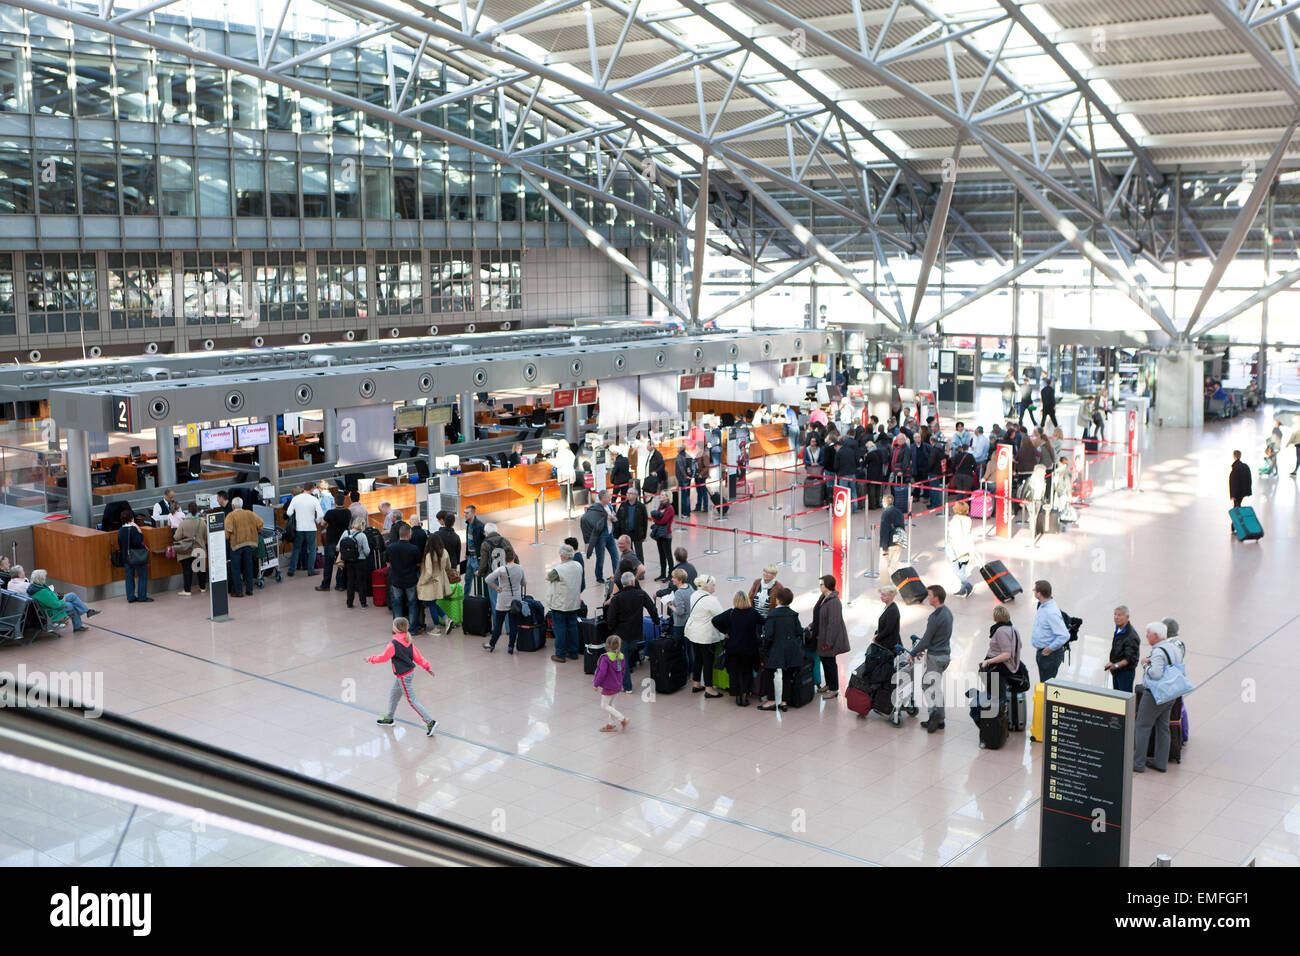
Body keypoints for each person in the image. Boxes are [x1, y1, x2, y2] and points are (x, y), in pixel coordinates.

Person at [367, 617, 437, 737]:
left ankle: (430, 722)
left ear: (396, 628)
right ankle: (389, 718)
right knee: (394, 695)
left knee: (412, 700)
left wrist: (371, 659)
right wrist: (427, 667)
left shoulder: (393, 644)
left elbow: (384, 657)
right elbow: (418, 657)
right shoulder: (407, 640)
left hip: (403, 677)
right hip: (407, 674)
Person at [1133, 621, 1187, 773]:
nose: (1146, 636)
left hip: (1154, 695)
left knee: (1142, 726)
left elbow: (1155, 674)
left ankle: (1138, 763)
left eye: (1148, 633)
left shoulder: (1157, 652)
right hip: (1171, 694)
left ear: (1156, 635)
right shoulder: (1173, 647)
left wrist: (1145, 665)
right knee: (1163, 727)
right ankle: (1160, 762)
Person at [971, 604, 1022, 739]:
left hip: (998, 668)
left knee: (996, 699)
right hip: (1008, 668)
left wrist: (988, 662)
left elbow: (1006, 654)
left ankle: (995, 729)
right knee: (998, 698)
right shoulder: (1013, 629)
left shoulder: (1000, 631)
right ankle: (1001, 726)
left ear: (996, 617)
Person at [908, 585, 952, 733]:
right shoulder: (948, 613)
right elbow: (936, 637)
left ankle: (934, 716)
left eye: (930, 595)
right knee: (936, 687)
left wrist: (913, 653)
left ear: (936, 598)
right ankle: (941, 720)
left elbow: (926, 640)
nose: (928, 597)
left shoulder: (935, 617)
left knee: (928, 686)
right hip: (945, 655)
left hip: (935, 657)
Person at [605, 570, 657, 687]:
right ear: (633, 581)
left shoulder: (617, 598)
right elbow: (652, 608)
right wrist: (656, 621)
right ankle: (624, 677)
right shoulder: (641, 594)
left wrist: (612, 629)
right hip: (636, 633)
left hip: (621, 634)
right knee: (627, 655)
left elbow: (611, 617)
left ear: (622, 583)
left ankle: (627, 686)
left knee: (623, 660)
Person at [711, 591, 763, 706]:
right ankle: (745, 694)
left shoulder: (731, 613)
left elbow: (715, 620)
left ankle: (737, 696)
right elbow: (764, 621)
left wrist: (725, 632)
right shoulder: (753, 613)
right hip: (749, 649)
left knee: (734, 673)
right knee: (747, 672)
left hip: (733, 649)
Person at [757, 587, 803, 712]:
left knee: (768, 673)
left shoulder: (772, 615)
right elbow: (799, 631)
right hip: (791, 650)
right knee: (787, 676)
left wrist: (764, 650)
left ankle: (771, 701)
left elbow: (769, 636)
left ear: (777, 600)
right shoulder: (793, 614)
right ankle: (784, 701)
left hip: (775, 650)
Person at [683, 574, 725, 698]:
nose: (714, 588)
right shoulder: (710, 600)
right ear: (706, 586)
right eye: (713, 585)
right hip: (705, 635)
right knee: (708, 661)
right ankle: (709, 688)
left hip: (693, 632)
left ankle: (696, 683)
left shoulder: (694, 595)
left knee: (698, 658)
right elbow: (720, 616)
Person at [812, 575, 850, 700]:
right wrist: (811, 626)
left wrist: (828, 642)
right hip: (821, 636)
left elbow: (833, 624)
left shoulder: (834, 602)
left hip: (828, 639)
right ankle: (828, 684)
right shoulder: (824, 597)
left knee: (830, 663)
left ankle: (834, 689)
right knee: (825, 661)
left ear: (827, 586)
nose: (820, 586)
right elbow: (819, 616)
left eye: (821, 584)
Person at [546, 544, 584, 664]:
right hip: (574, 603)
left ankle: (560, 655)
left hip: (560, 604)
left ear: (562, 556)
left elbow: (548, 577)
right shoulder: (578, 565)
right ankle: (573, 652)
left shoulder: (559, 569)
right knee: (572, 627)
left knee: (560, 629)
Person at [27, 570, 99, 632]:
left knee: (72, 595)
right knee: (71, 605)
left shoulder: (34, 587)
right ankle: (79, 623)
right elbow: (55, 605)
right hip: (51, 611)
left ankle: (87, 611)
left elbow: (50, 597)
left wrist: (58, 596)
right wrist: (63, 600)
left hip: (51, 603)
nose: (45, 578)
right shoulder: (41, 592)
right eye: (44, 577)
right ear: (40, 579)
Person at [483, 550, 526, 653]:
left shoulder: (501, 570)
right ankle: (511, 646)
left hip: (503, 600)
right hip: (515, 600)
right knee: (513, 624)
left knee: (498, 624)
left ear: (504, 559)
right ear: (514, 557)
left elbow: (487, 579)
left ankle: (492, 644)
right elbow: (524, 583)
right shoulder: (520, 568)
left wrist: (496, 587)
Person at [1030, 579, 1070, 683]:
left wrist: (1049, 648)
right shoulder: (1043, 604)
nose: (1033, 592)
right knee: (1043, 684)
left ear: (1039, 594)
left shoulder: (1051, 612)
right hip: (1043, 652)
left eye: (1034, 590)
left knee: (1046, 686)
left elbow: (1064, 635)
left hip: (1049, 656)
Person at [223, 498, 263, 599]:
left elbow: (227, 532)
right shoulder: (249, 513)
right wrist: (255, 531)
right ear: (242, 505)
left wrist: (227, 537)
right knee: (248, 567)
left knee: (236, 569)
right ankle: (249, 590)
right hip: (249, 544)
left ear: (232, 506)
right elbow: (260, 523)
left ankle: (239, 591)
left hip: (236, 545)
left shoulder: (230, 516)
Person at [415, 532, 452, 636]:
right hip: (441, 580)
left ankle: (437, 627)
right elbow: (448, 567)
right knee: (433, 603)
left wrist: (422, 582)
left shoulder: (429, 555)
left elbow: (429, 572)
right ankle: (446, 619)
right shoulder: (444, 552)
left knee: (431, 604)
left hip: (432, 583)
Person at [580, 490, 621, 583]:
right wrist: (604, 517)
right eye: (607, 497)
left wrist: (614, 518)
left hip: (610, 535)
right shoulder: (595, 508)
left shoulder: (610, 506)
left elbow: (613, 515)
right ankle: (599, 576)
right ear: (602, 499)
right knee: (600, 557)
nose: (609, 498)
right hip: (601, 536)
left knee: (615, 555)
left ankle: (616, 574)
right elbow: (590, 519)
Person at [592, 634, 629, 732]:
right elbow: (623, 671)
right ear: (619, 646)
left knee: (604, 705)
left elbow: (601, 672)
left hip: (608, 686)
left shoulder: (605, 658)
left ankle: (622, 719)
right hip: (617, 685)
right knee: (611, 704)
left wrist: (596, 684)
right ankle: (610, 725)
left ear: (607, 645)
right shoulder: (621, 656)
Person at [285, 485, 324, 578]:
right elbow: (321, 514)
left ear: (303, 489)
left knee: (296, 549)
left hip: (299, 528)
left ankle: (291, 570)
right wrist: (317, 521)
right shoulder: (314, 499)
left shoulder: (295, 499)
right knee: (312, 549)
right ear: (310, 490)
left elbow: (289, 512)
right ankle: (310, 570)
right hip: (311, 527)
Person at [116, 510, 153, 603]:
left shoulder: (120, 530)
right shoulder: (133, 529)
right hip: (137, 557)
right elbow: (138, 542)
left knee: (129, 577)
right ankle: (142, 596)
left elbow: (120, 544)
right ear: (131, 518)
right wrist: (139, 531)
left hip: (126, 557)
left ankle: (130, 597)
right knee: (143, 576)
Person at [318, 494, 353, 593]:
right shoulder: (347, 512)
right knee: (341, 563)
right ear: (343, 502)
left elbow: (322, 523)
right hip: (343, 541)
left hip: (331, 541)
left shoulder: (330, 512)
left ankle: (326, 585)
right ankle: (340, 585)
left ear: (335, 502)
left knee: (328, 564)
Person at [172, 502, 207, 596]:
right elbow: (205, 535)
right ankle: (203, 587)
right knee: (201, 569)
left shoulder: (184, 523)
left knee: (187, 570)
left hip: (187, 550)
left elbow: (176, 537)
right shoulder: (202, 521)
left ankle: (187, 590)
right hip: (200, 548)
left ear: (188, 510)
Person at [1104, 605, 1141, 693]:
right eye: (1115, 614)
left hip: (1125, 674)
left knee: (1124, 698)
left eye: (1119, 615)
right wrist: (1112, 662)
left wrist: (1115, 665)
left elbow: (1129, 659)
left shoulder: (1131, 636)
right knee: (1117, 696)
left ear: (1127, 617)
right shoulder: (1119, 629)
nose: (1116, 617)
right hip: (1116, 671)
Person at [339, 516, 372, 608]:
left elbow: (338, 547)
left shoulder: (345, 533)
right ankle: (363, 602)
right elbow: (367, 551)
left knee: (350, 582)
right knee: (361, 582)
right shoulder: (362, 535)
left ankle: (349, 603)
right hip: (360, 561)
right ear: (362, 525)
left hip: (348, 562)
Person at [946, 499, 975, 598]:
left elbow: (952, 533)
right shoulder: (969, 519)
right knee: (962, 569)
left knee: (955, 569)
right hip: (967, 547)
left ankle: (968, 585)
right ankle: (963, 590)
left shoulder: (955, 519)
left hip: (957, 547)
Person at [649, 492, 675, 582]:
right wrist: (656, 518)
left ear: (667, 497)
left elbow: (663, 521)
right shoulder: (661, 506)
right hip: (659, 534)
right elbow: (655, 517)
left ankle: (671, 575)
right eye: (661, 495)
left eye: (663, 495)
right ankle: (662, 574)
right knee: (661, 555)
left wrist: (656, 519)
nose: (661, 496)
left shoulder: (670, 508)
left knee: (668, 555)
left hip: (666, 535)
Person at [879, 494, 906, 576]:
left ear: (884, 502)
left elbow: (884, 531)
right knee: (895, 566)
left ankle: (886, 587)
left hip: (890, 543)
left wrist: (884, 547)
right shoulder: (898, 511)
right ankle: (897, 584)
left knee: (883, 567)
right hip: (899, 541)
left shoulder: (886, 513)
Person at [463, 505, 486, 595]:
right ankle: (465, 599)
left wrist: (481, 557)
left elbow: (485, 542)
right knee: (467, 580)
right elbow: (469, 540)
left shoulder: (480, 526)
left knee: (479, 580)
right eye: (464, 512)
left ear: (473, 513)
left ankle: (480, 600)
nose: (465, 514)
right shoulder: (468, 524)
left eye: (467, 513)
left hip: (477, 558)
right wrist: (467, 553)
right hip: (470, 557)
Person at [674, 445, 694, 517]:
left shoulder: (679, 457)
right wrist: (690, 476)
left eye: (677, 447)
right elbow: (691, 466)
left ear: (680, 449)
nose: (677, 448)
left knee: (683, 496)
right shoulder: (688, 455)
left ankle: (685, 513)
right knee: (687, 496)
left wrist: (685, 476)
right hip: (688, 478)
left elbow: (681, 468)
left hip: (683, 479)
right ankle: (688, 511)